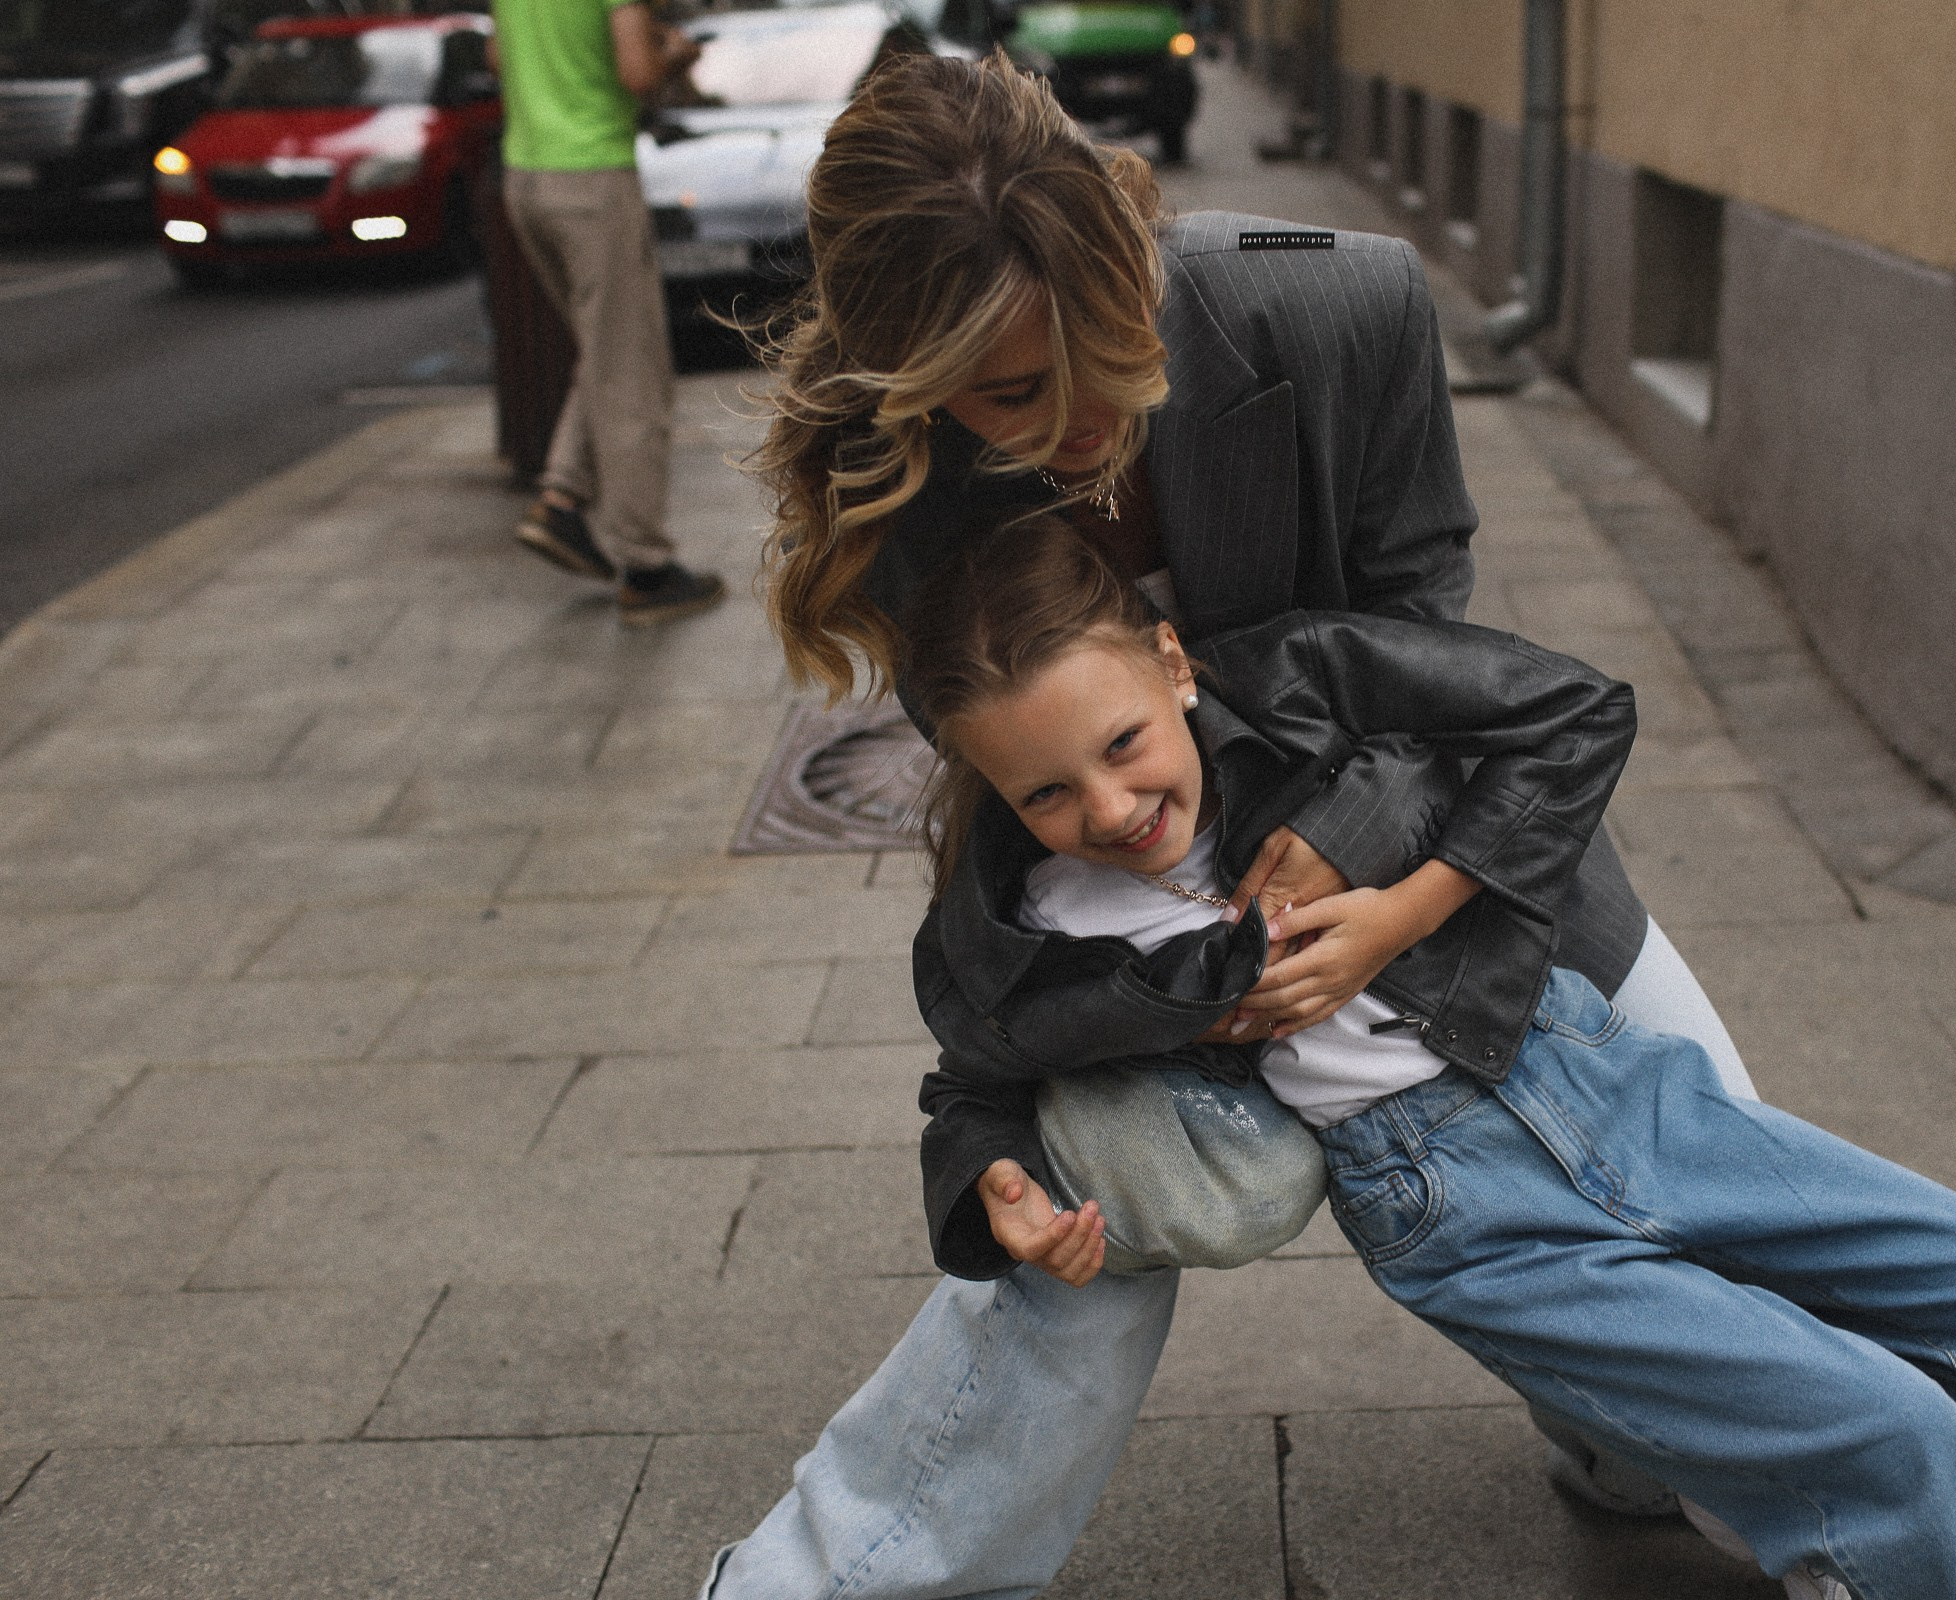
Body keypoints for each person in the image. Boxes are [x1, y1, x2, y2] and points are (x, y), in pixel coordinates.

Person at [709, 49, 1752, 1599]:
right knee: (1068, 1225)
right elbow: (1006, 816)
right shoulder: (901, 462)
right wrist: (1035, 1107)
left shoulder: (1342, 304)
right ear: (911, 371)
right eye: (1011, 394)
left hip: (1424, 825)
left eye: (1099, 348)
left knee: (1710, 1158)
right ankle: (824, 1579)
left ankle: (1637, 1454)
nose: (1075, 418)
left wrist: (1359, 861)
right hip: (1129, 902)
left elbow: (1430, 634)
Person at [898, 523, 1956, 1599]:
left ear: (1172, 662)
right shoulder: (1032, 927)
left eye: (1123, 744)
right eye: (1046, 793)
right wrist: (999, 1179)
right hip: (1457, 1205)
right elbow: (974, 1078)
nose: (1111, 808)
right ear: (995, 790)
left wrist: (1404, 911)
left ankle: (1822, 1516)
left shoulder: (1297, 682)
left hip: (1598, 1078)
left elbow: (1577, 714)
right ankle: (1851, 1495)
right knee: (1895, 1433)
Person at [488, 0, 725, 625]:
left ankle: (564, 502)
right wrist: (672, 53)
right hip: (592, 175)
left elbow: (497, 56)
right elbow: (637, 73)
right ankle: (647, 567)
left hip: (526, 175)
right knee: (630, 370)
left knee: (606, 352)